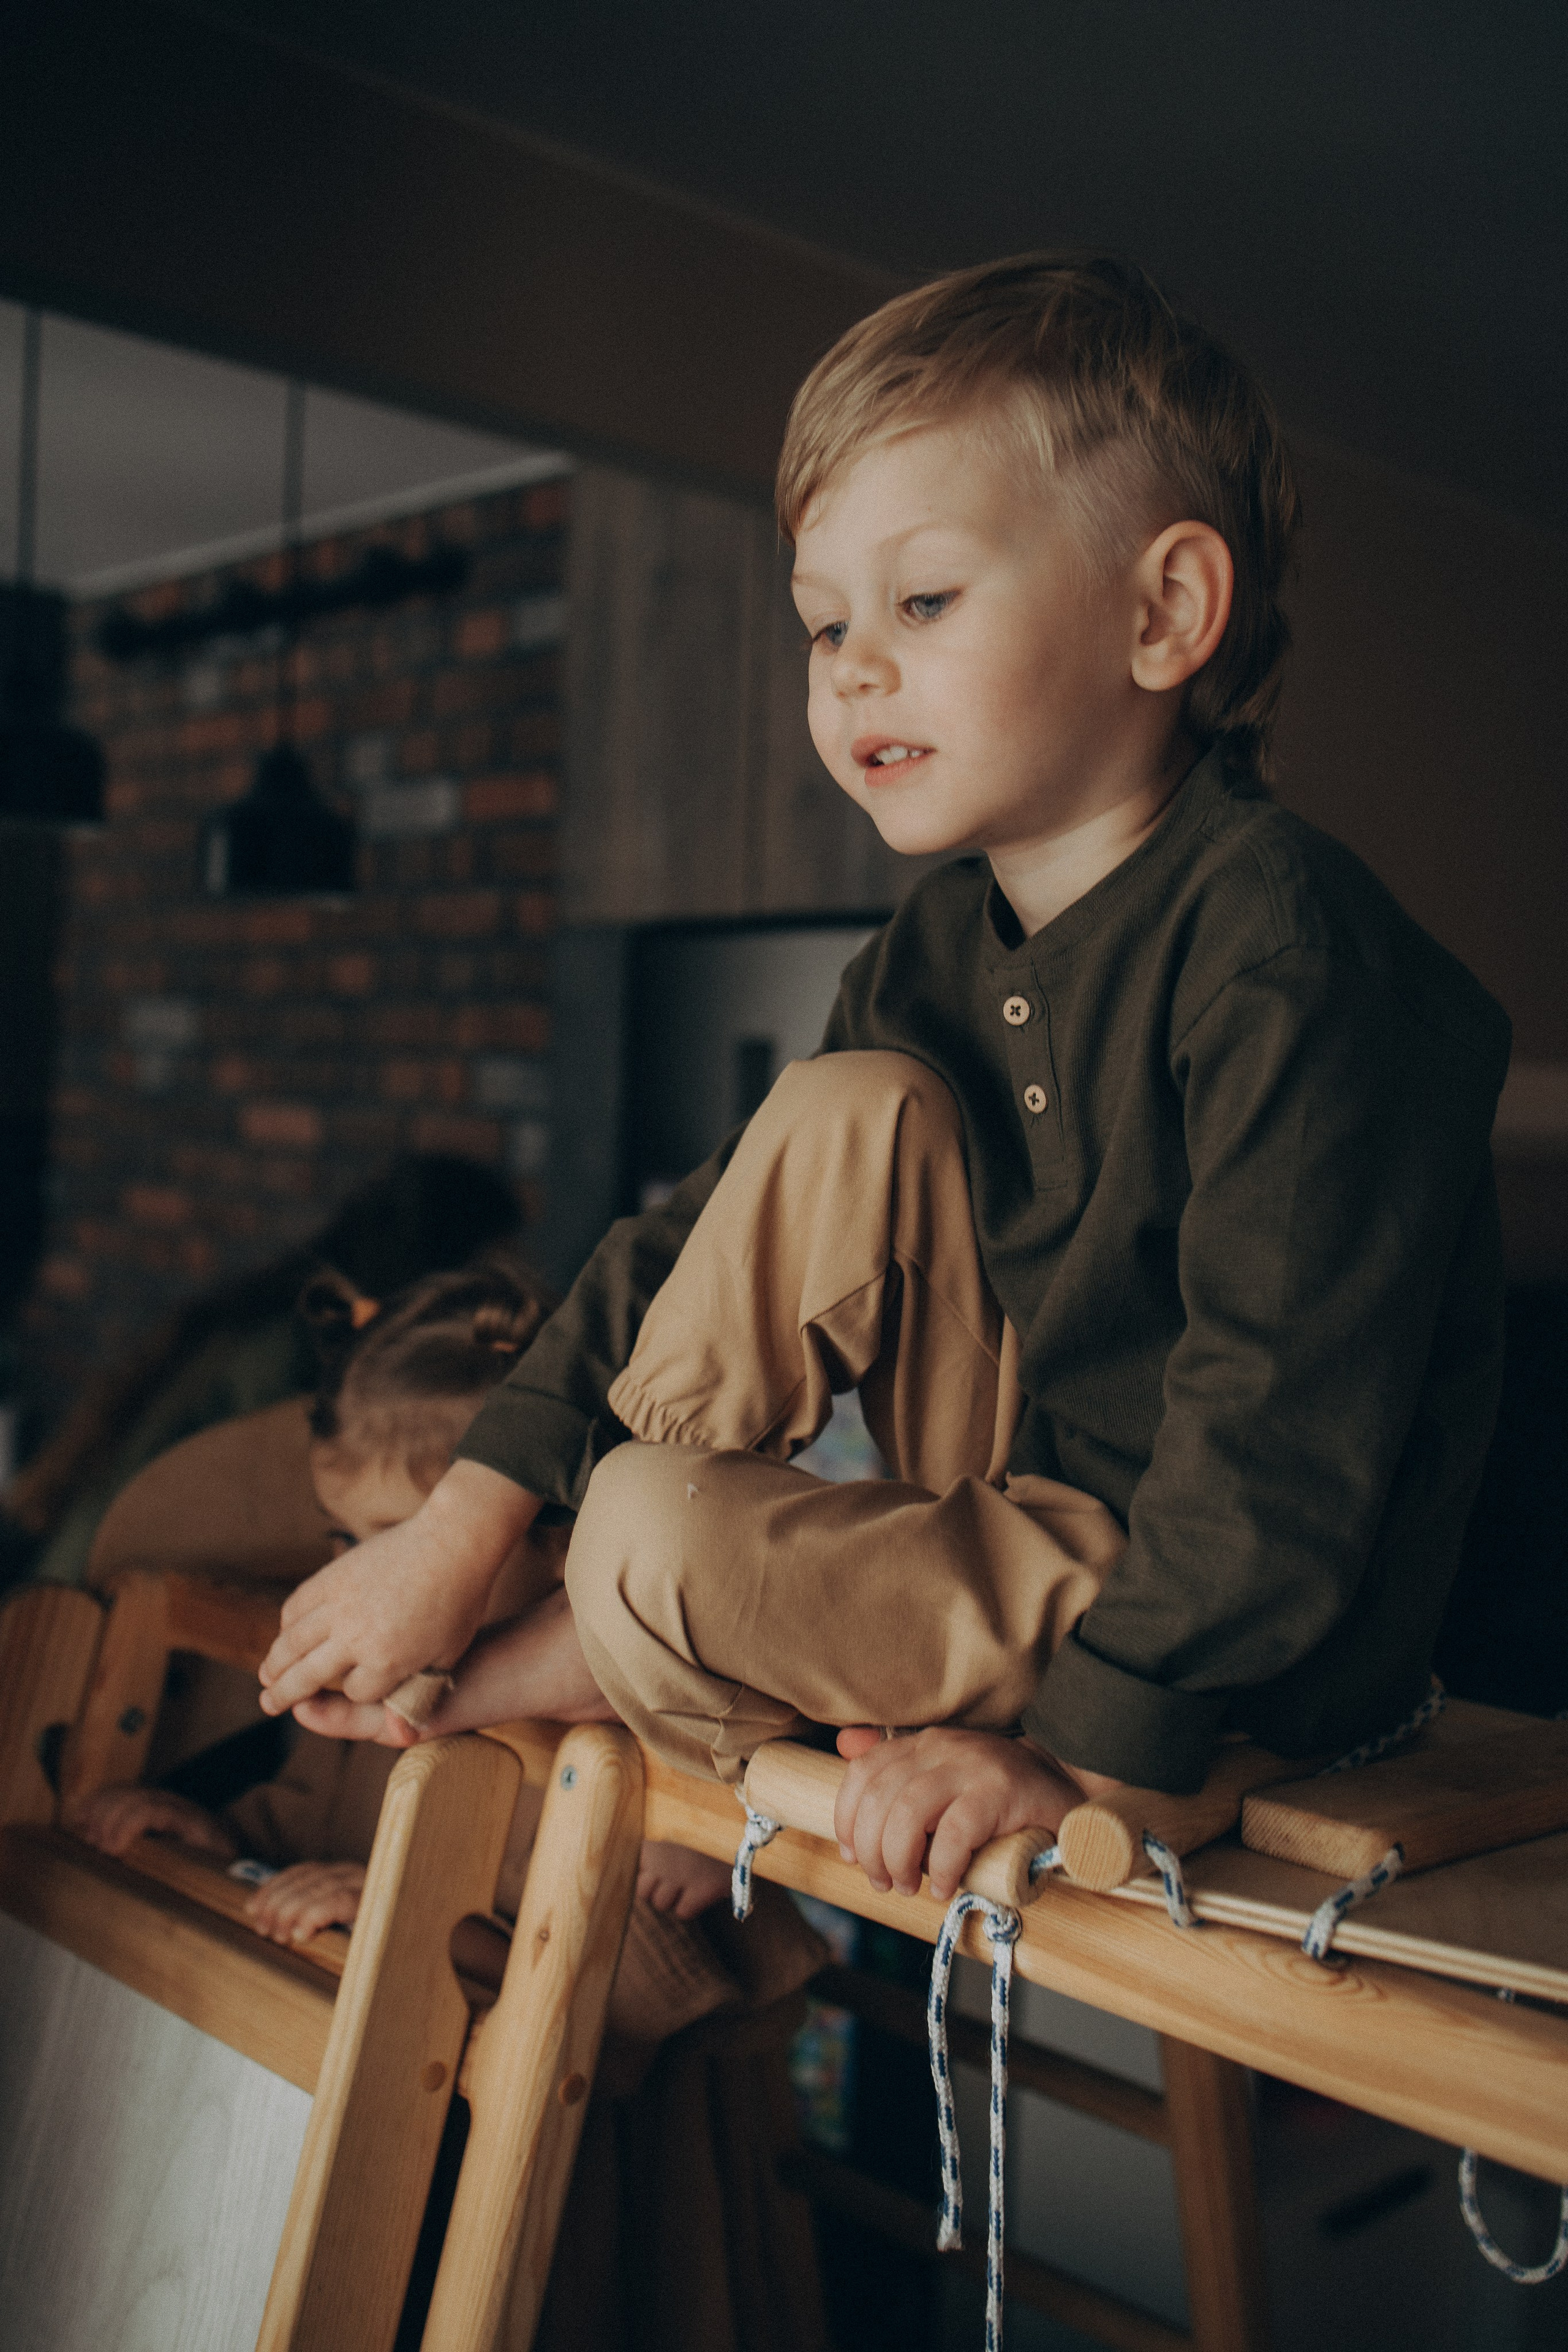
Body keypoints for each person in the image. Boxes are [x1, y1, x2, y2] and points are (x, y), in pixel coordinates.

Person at [257, 253, 1510, 1912]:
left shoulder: (1286, 948)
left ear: (1161, 615)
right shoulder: (928, 950)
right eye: (824, 620)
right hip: (1005, 1521)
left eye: (921, 603)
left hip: (1243, 1647)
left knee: (645, 1531)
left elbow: (1279, 1435)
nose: (849, 666)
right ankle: (571, 1594)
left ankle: (599, 1621)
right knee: (831, 1123)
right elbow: (704, 1235)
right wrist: (461, 1523)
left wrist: (1086, 1762)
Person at [72, 1260, 827, 2352]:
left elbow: (629, 1993)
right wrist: (222, 1841)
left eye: (397, 1549)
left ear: (554, 1540)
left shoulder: (637, 1719)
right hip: (400, 2121)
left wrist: (417, 1918)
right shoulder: (394, 1693)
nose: (358, 1587)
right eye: (341, 1543)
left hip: (586, 2179)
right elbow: (315, 1832)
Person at [6, 1152, 522, 1591]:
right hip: (109, 1588)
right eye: (493, 1260)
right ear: (443, 1262)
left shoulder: (279, 1321)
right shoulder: (301, 1355)